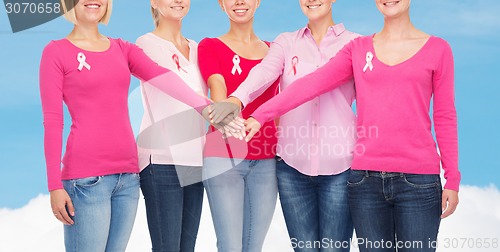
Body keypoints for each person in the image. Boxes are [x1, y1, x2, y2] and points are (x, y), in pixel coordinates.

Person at [242, 0, 460, 251]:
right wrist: (261, 115)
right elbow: (312, 84)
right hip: (365, 182)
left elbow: (445, 116)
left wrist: (452, 179)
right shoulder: (358, 48)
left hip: (419, 182)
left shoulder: (438, 49)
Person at [39, 0, 211, 251]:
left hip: (128, 178)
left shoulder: (122, 49)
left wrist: (205, 107)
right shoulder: (56, 52)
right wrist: (54, 185)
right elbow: (53, 121)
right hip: (86, 180)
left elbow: (164, 79)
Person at [211, 0, 359, 250]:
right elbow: (265, 71)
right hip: (292, 168)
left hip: (341, 167)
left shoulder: (356, 45)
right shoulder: (286, 42)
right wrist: (237, 98)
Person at [197, 0, 280, 251]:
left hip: (267, 159)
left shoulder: (274, 50)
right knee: (230, 246)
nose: (239, 2)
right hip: (223, 158)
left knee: (254, 245)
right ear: (222, 4)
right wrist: (228, 117)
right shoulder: (210, 45)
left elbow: (278, 106)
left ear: (257, 2)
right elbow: (217, 88)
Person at [135, 0, 206, 251]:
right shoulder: (146, 44)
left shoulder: (198, 49)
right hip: (162, 160)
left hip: (196, 161)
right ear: (154, 2)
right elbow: (177, 88)